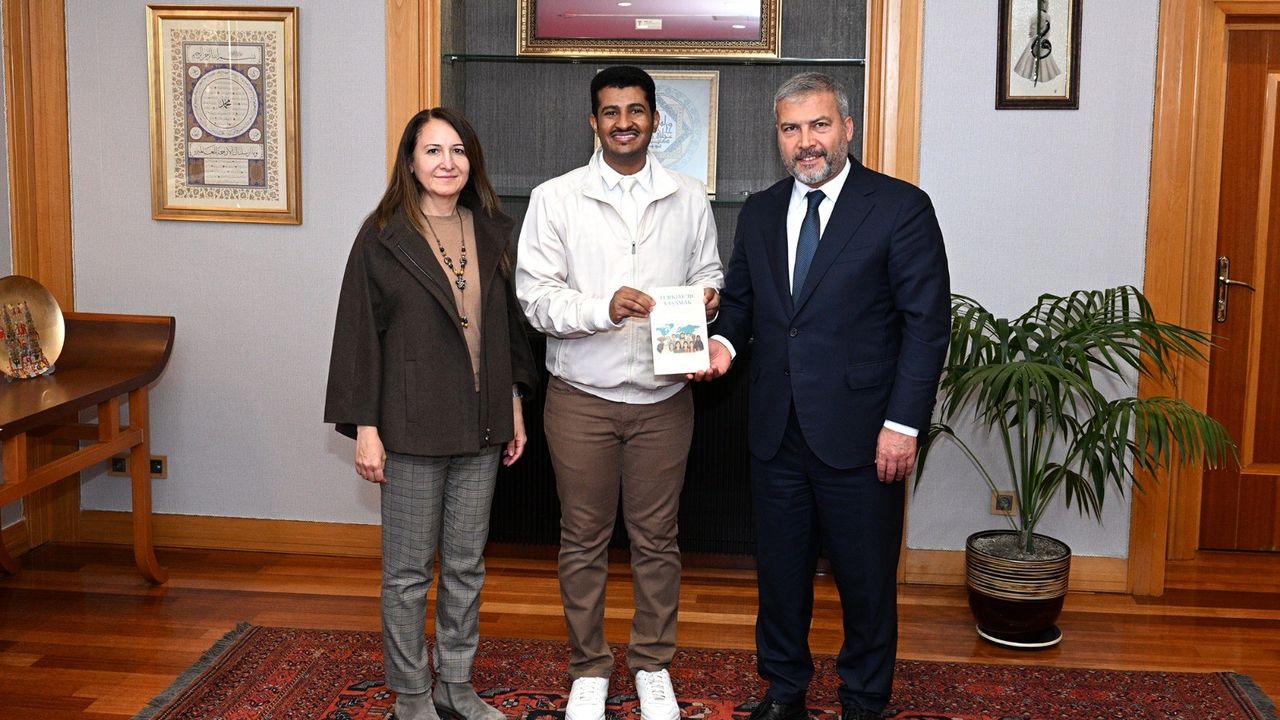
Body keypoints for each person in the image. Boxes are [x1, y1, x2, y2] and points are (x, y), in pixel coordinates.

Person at [696, 72, 950, 720]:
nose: (805, 141)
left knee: (866, 581)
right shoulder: (759, 211)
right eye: (791, 128)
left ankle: (864, 698)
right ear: (778, 137)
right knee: (780, 576)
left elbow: (926, 327)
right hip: (775, 430)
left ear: (847, 128)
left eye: (818, 125)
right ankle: (784, 690)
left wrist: (903, 425)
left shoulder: (900, 207)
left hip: (863, 434)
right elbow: (742, 305)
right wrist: (721, 346)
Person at [515, 65, 723, 720]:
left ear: (656, 120)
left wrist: (709, 298)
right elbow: (535, 299)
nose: (624, 123)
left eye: (636, 111)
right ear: (594, 122)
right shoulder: (555, 198)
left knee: (658, 538)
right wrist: (602, 307)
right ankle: (589, 668)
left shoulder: (688, 196)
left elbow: (709, 270)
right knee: (582, 538)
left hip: (665, 400)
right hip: (582, 397)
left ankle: (653, 664)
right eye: (611, 112)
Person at [325, 107, 537, 720]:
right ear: (411, 162)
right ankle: (413, 693)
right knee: (408, 574)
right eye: (434, 151)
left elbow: (507, 329)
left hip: (483, 426)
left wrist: (514, 405)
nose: (448, 163)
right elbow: (359, 337)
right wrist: (367, 429)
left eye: (459, 151)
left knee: (466, 567)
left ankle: (456, 685)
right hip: (410, 427)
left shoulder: (493, 230)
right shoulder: (382, 236)